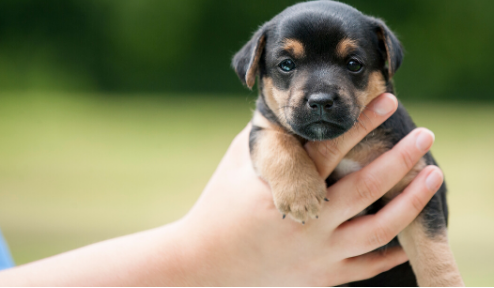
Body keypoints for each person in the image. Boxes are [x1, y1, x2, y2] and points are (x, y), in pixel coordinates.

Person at [0, 93, 443, 286]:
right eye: (287, 66)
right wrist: (203, 257)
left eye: (351, 65)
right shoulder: (271, 126)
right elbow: (264, 138)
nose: (322, 94)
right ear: (257, 71)